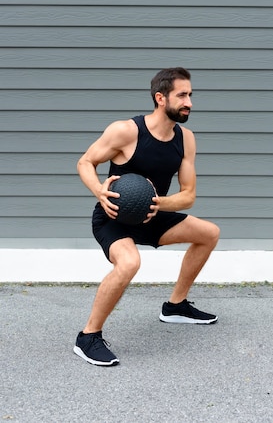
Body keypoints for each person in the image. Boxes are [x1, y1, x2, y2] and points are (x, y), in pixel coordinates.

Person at [73, 67, 220, 366]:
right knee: (129, 263)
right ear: (160, 98)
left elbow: (188, 195)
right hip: (114, 217)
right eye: (181, 95)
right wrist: (99, 192)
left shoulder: (186, 139)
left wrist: (158, 204)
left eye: (190, 95)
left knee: (209, 233)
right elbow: (86, 162)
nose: (189, 102)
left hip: (154, 214)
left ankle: (175, 306)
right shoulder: (126, 131)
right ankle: (88, 336)